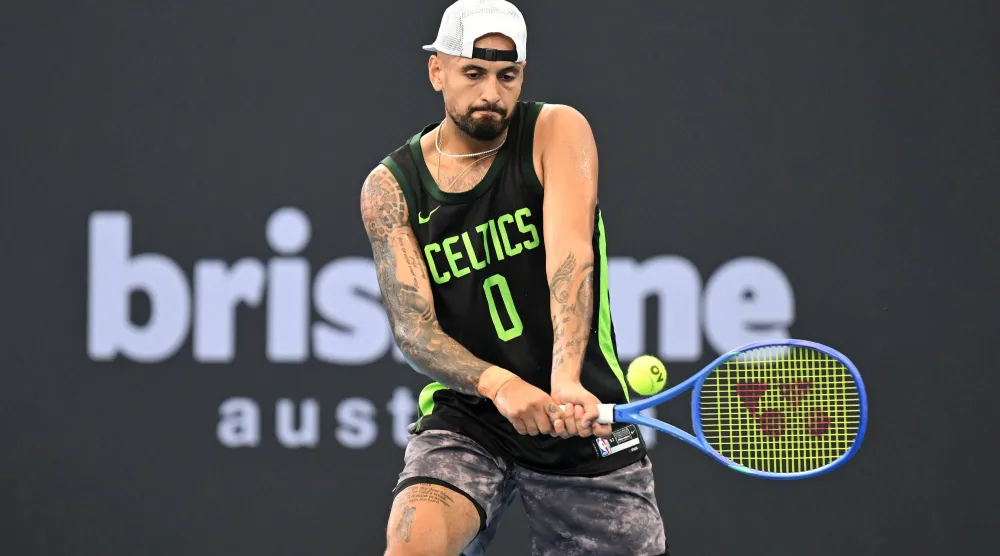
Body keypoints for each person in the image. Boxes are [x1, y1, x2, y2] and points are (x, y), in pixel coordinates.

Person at [359, 1, 669, 554]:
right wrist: (499, 385)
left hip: (581, 415)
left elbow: (569, 258)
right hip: (471, 416)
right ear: (438, 72)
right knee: (412, 544)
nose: (490, 93)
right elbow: (414, 331)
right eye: (472, 73)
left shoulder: (556, 130)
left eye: (507, 76)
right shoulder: (390, 189)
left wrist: (565, 380)